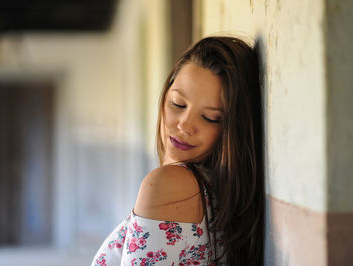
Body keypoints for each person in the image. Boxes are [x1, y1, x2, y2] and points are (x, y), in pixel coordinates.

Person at [91, 36, 264, 266]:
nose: (185, 125)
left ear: (234, 128)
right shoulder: (221, 193)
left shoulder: (170, 186)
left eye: (211, 118)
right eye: (178, 104)